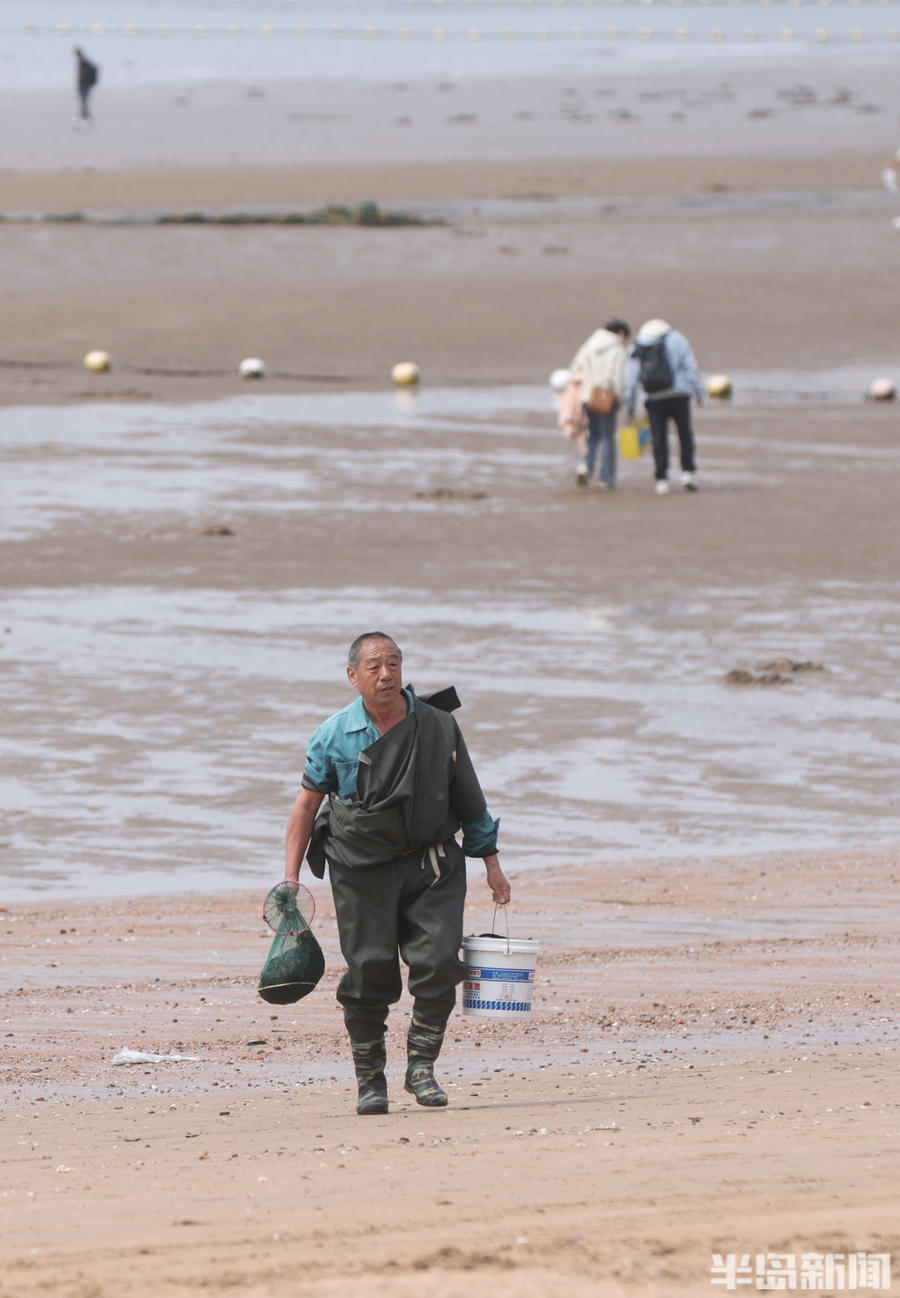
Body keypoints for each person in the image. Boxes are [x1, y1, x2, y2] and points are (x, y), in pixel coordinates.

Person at [283, 632, 511, 1116]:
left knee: (440, 962)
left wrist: (491, 864)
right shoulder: (333, 735)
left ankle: (422, 1067)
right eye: (373, 666)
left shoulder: (437, 726)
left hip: (431, 865)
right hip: (359, 869)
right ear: (352, 677)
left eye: (393, 664)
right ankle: (370, 1082)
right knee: (368, 973)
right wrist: (291, 880)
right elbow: (306, 807)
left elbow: (469, 796)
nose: (385, 674)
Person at [624, 318, 705, 495]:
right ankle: (688, 473)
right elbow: (690, 368)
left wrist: (629, 405)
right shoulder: (678, 339)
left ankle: (662, 479)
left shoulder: (639, 344)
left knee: (659, 437)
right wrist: (699, 392)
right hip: (679, 394)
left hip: (653, 397)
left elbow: (630, 380)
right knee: (684, 433)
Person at [568, 319, 630, 490]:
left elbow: (576, 366)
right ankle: (606, 478)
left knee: (593, 435)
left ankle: (585, 465)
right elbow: (618, 377)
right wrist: (621, 398)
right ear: (621, 333)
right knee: (608, 438)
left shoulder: (591, 342)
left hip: (588, 396)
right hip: (607, 397)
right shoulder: (617, 348)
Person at [74, 48, 99, 123]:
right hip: (83, 84)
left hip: (85, 84)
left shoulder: (84, 62)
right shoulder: (82, 61)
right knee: (83, 100)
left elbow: (82, 73)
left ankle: (85, 115)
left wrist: (82, 74)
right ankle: (85, 114)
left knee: (84, 100)